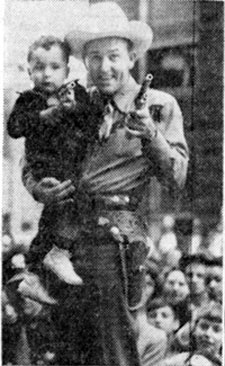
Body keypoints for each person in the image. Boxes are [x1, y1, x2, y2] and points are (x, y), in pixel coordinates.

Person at [21, 2, 189, 365]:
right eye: (94, 57)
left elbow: (176, 176)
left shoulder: (158, 106)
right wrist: (38, 188)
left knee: (112, 351)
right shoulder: (74, 101)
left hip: (112, 242)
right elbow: (32, 152)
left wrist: (152, 136)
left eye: (113, 56)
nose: (104, 67)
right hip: (62, 240)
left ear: (131, 57)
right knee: (63, 350)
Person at [7, 35, 101, 290]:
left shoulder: (77, 94)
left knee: (53, 217)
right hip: (46, 167)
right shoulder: (28, 100)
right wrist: (46, 114)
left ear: (67, 70)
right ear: (29, 70)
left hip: (72, 165)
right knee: (69, 205)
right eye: (39, 68)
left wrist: (76, 110)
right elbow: (15, 127)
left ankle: (35, 270)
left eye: (54, 67)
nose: (46, 74)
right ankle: (58, 252)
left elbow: (94, 124)